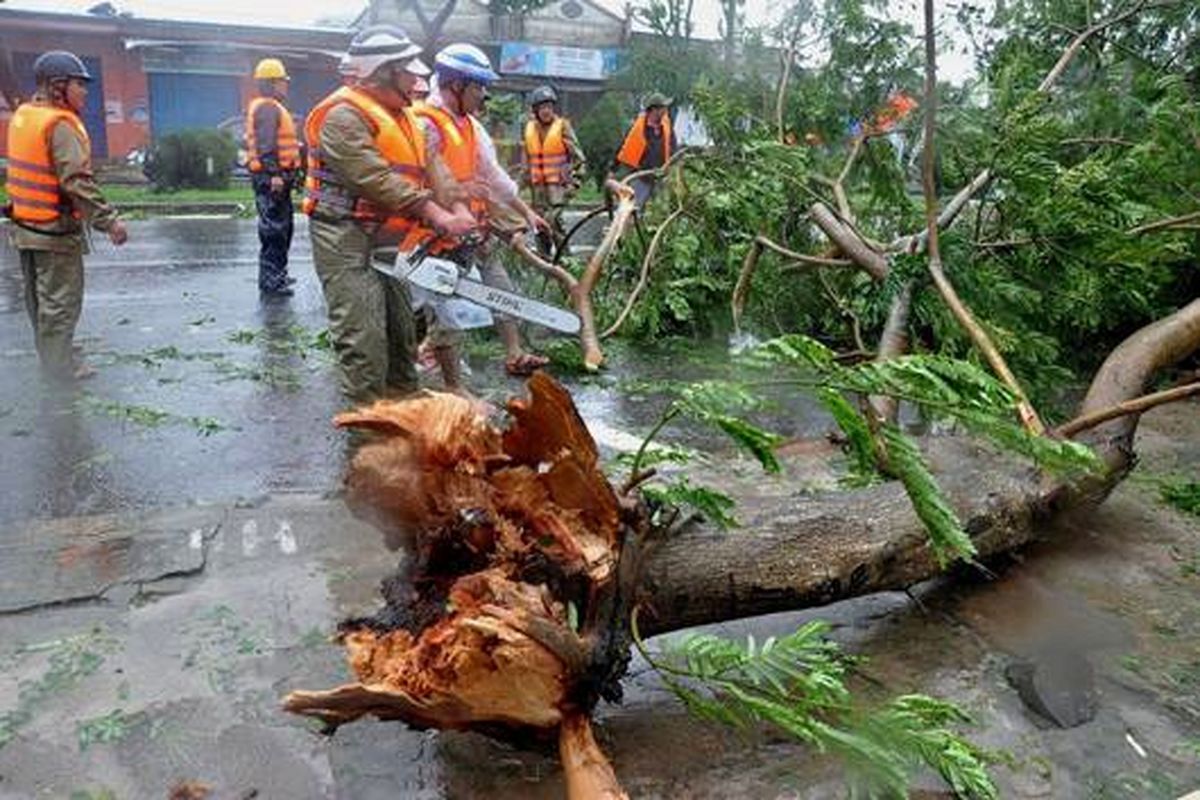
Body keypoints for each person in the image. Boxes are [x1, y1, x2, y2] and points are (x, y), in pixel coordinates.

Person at [301, 25, 475, 405]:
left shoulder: (407, 117)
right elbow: (373, 178)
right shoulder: (342, 117)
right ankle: (369, 437)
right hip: (345, 236)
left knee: (401, 332)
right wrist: (434, 212)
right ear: (383, 71)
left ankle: (402, 413)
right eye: (408, 70)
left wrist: (458, 207)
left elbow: (436, 167)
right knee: (363, 339)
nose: (417, 78)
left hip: (390, 238)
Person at [412, 43, 551, 384]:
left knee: (496, 281)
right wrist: (456, 207)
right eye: (478, 87)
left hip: (471, 227)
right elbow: (426, 178)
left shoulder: (470, 126)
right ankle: (427, 360)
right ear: (456, 86)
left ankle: (515, 352)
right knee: (439, 305)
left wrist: (526, 212)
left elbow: (493, 175)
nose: (483, 95)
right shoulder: (426, 123)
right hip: (435, 231)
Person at [4, 50, 129, 382]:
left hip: (26, 229)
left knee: (40, 304)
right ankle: (59, 373)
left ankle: (57, 359)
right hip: (54, 232)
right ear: (59, 86)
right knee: (60, 305)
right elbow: (76, 180)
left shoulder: (26, 115)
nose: (85, 91)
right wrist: (109, 220)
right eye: (80, 84)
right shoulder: (59, 124)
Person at [245, 57, 301, 297]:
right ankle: (271, 281)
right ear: (271, 83)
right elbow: (266, 145)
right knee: (275, 231)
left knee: (282, 228)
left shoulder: (269, 106)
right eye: (282, 81)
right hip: (270, 179)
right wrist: (274, 174)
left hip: (274, 177)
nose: (285, 86)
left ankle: (277, 274)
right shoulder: (267, 108)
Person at [521, 85, 586, 255]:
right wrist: (517, 187)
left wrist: (575, 184)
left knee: (553, 222)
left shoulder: (562, 126)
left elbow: (579, 159)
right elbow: (526, 162)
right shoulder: (529, 129)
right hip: (538, 192)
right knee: (540, 228)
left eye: (549, 107)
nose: (546, 111)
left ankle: (566, 263)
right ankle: (546, 265)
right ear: (535, 110)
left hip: (558, 189)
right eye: (542, 107)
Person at [612, 91, 676, 208]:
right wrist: (612, 170)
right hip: (640, 177)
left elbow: (673, 148)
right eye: (663, 107)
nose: (666, 110)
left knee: (660, 211)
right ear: (654, 110)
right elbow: (623, 148)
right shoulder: (638, 128)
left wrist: (672, 167)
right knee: (635, 209)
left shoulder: (666, 126)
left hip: (661, 176)